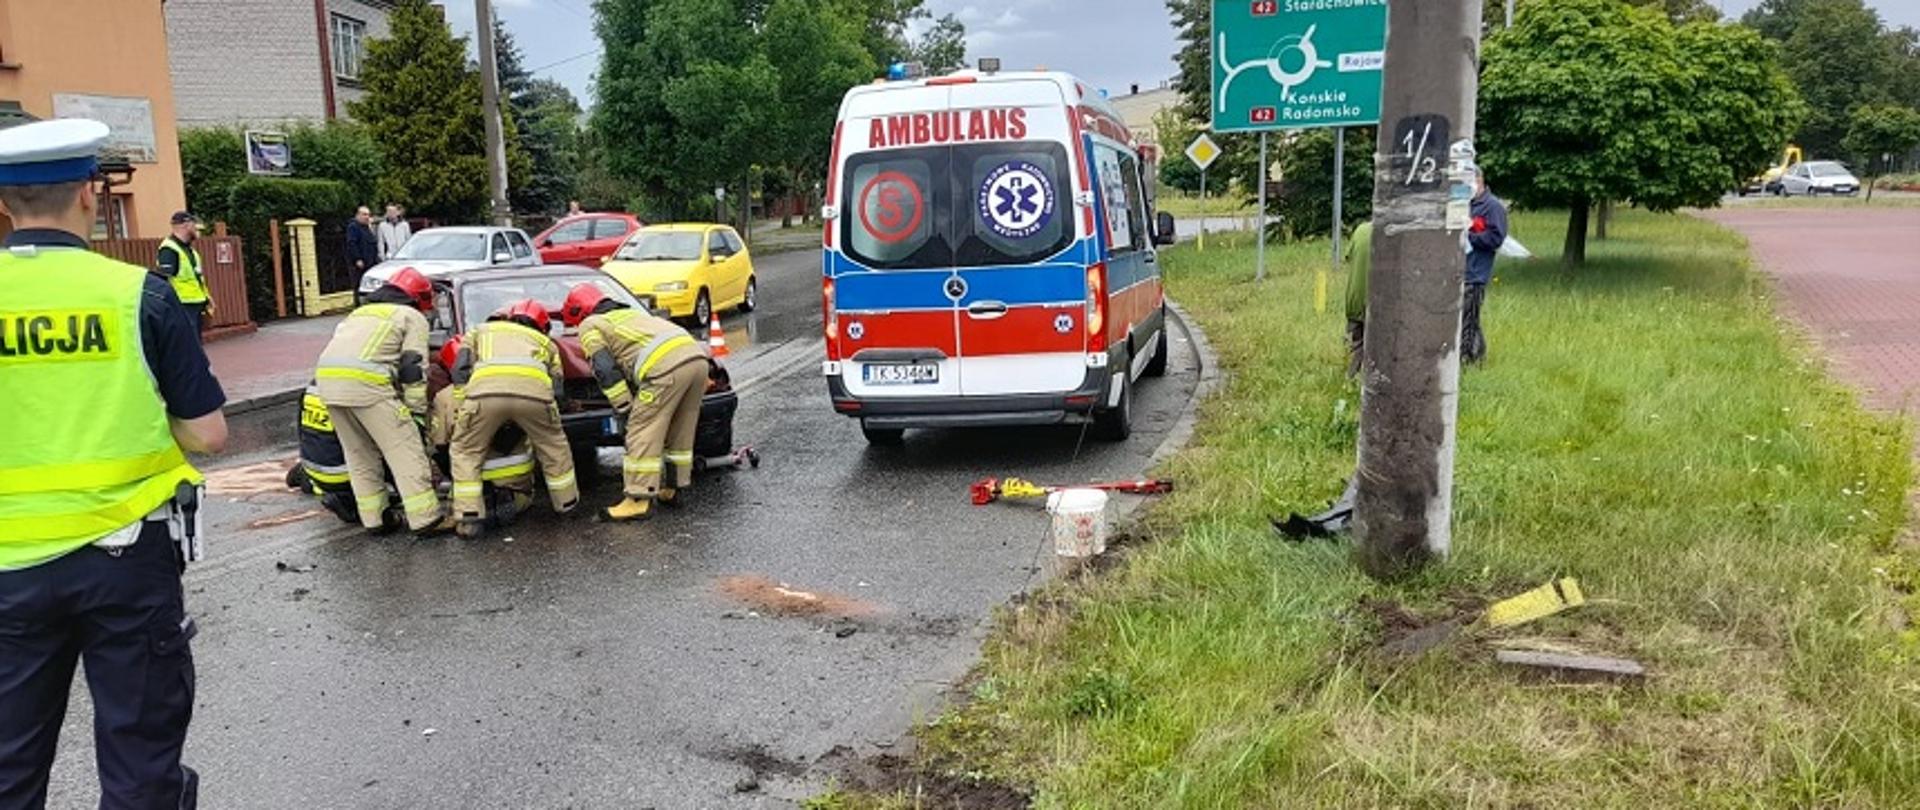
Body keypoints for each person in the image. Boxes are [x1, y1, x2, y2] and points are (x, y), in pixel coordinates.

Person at [0, 118, 228, 809]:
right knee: (139, 760)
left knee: (8, 763)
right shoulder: (139, 293)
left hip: (8, 567)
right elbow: (209, 434)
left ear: (5, 206)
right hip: (126, 555)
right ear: (88, 199)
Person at [313, 266, 450, 536]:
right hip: (368, 386)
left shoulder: (358, 313)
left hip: (327, 386)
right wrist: (416, 413)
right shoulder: (410, 316)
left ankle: (375, 518)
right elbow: (412, 366)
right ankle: (426, 519)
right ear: (419, 298)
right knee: (405, 448)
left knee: (359, 454)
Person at [561, 283, 708, 522]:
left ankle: (637, 500)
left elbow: (604, 368)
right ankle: (673, 488)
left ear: (580, 312)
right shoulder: (632, 314)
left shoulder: (591, 324)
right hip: (697, 359)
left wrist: (624, 406)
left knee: (642, 429)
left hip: (665, 369)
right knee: (681, 428)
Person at [447, 300, 579, 538]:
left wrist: (463, 406)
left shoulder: (480, 331)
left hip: (484, 396)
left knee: (466, 451)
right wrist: (552, 416)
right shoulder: (546, 344)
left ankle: (469, 519)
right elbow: (558, 388)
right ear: (542, 326)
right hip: (535, 397)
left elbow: (461, 368)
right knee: (554, 448)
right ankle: (566, 504)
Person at [429, 335, 537, 526]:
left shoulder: (443, 397)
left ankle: (476, 505)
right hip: (515, 473)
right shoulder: (507, 388)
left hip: (469, 477)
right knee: (526, 496)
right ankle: (512, 498)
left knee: (459, 490)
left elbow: (439, 443)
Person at [1462, 165, 1508, 365]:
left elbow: (1496, 238)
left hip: (1476, 272)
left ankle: (1468, 359)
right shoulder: (1466, 204)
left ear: (1479, 180)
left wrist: (1469, 236)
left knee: (1469, 321)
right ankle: (1476, 357)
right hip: (1461, 270)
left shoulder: (1492, 206)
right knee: (1467, 318)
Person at [154, 210, 212, 335]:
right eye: (194, 225)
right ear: (186, 225)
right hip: (182, 305)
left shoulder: (188, 249)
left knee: (195, 345)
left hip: (195, 303)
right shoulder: (169, 249)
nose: (197, 229)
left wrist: (207, 298)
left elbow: (196, 277)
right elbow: (163, 279)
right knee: (188, 345)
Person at [1342, 219, 1374, 377]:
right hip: (1376, 303)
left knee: (1356, 342)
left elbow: (1348, 257)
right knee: (1376, 347)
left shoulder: (1361, 229)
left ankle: (1351, 377)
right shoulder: (1390, 234)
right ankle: (1355, 378)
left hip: (1353, 299)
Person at [345, 205, 379, 281]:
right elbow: (352, 243)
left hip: (371, 262)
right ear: (357, 215)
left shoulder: (367, 227)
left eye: (368, 215)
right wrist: (358, 259)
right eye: (364, 214)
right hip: (361, 264)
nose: (367, 217)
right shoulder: (353, 227)